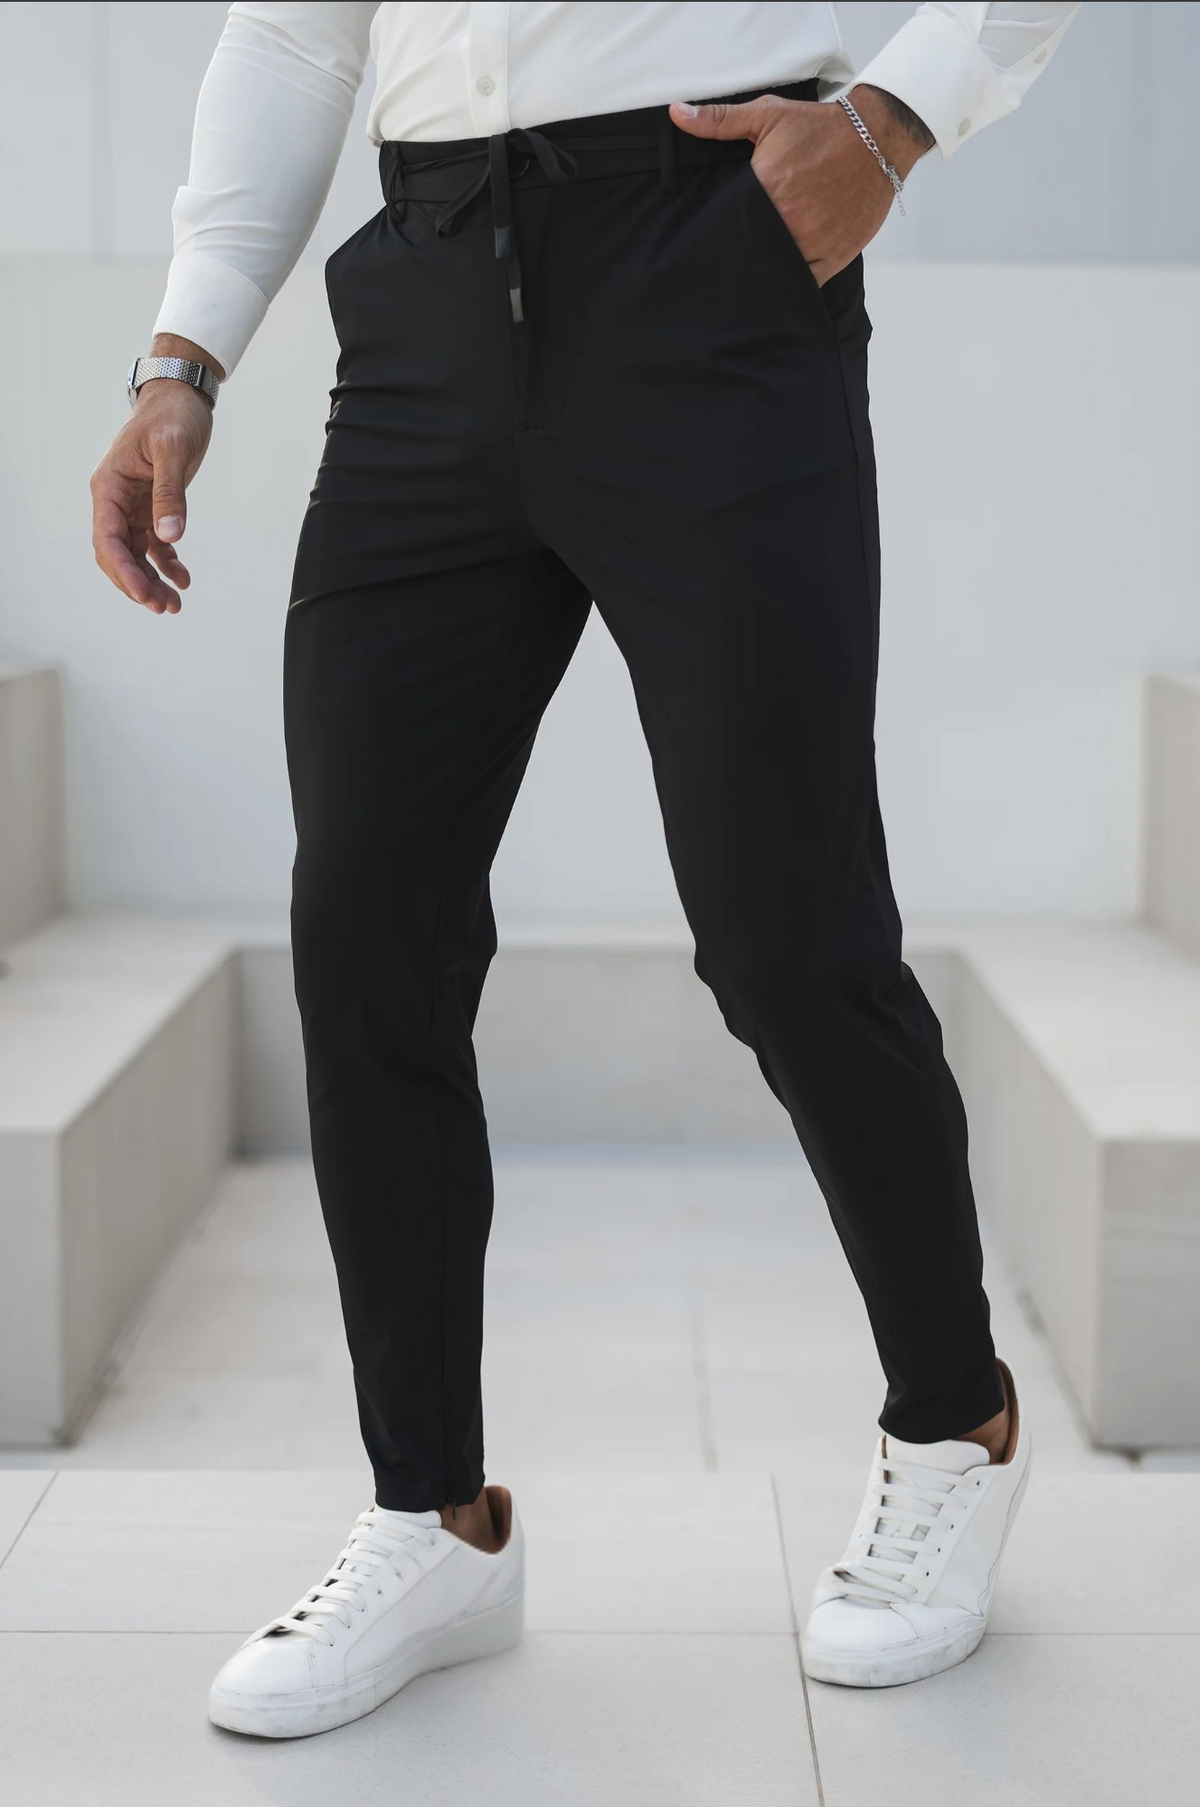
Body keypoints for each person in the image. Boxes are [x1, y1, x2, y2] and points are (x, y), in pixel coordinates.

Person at [90, 0, 1080, 1738]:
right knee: (366, 929)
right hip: (422, 296)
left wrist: (897, 117)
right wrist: (185, 351)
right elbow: (296, 38)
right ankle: (434, 1517)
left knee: (787, 933)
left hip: (709, 262)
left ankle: (953, 1420)